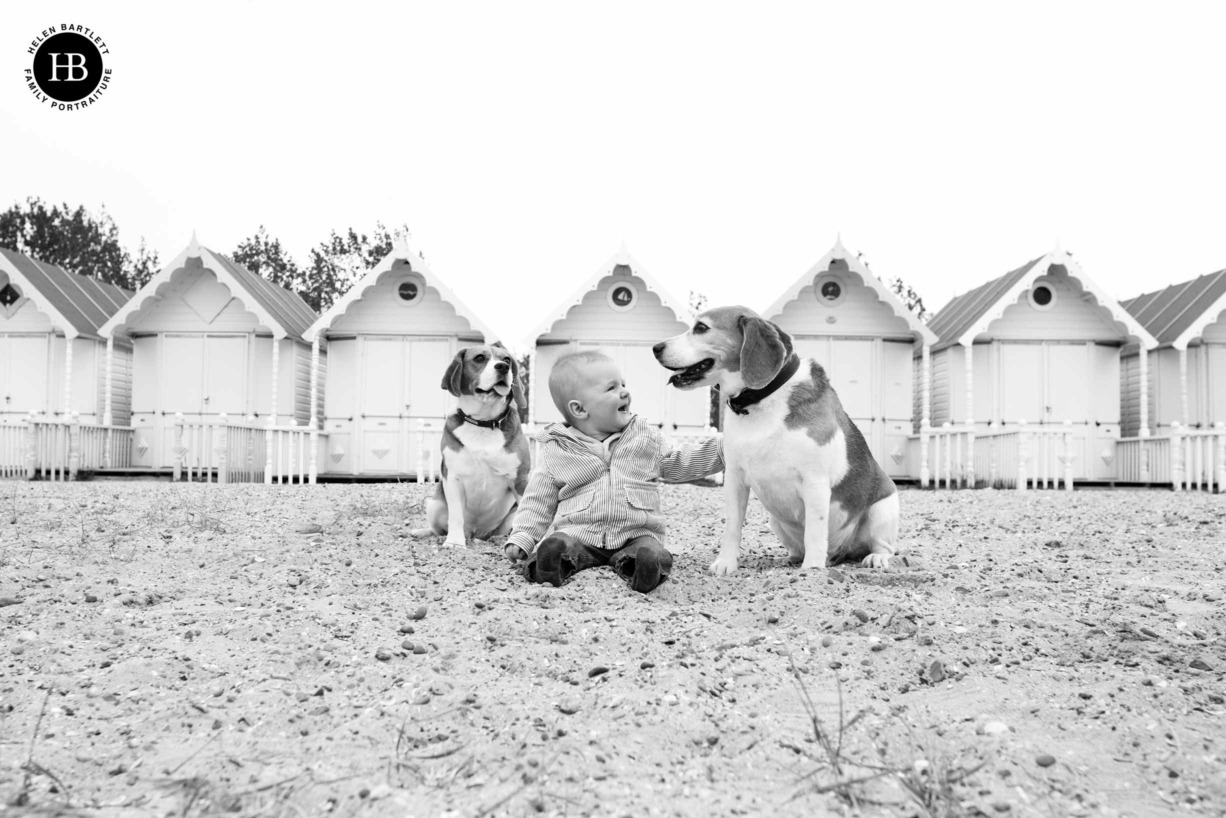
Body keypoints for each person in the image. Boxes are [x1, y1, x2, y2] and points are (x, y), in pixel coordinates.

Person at [504, 350, 723, 592]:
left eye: (624, 384)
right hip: (580, 532)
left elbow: (679, 462)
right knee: (561, 544)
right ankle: (550, 565)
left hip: (636, 532)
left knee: (651, 551)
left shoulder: (644, 438)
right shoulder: (558, 449)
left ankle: (644, 569)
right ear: (579, 409)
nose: (625, 391)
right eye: (611, 388)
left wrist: (723, 450)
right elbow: (538, 499)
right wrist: (523, 536)